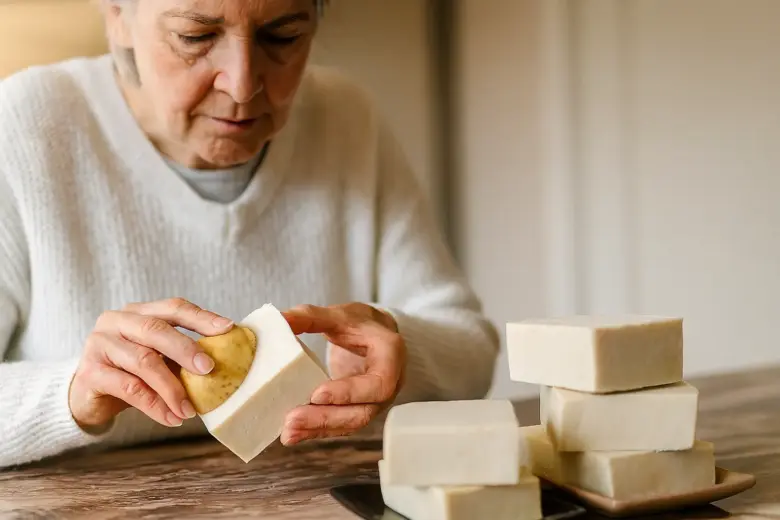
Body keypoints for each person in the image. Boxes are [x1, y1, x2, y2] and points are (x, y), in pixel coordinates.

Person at [0, 0, 499, 469]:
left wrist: (398, 349)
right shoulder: (24, 127)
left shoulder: (346, 118)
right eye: (195, 37)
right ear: (116, 15)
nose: (242, 86)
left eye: (283, 37)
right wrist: (70, 394)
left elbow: (472, 348)